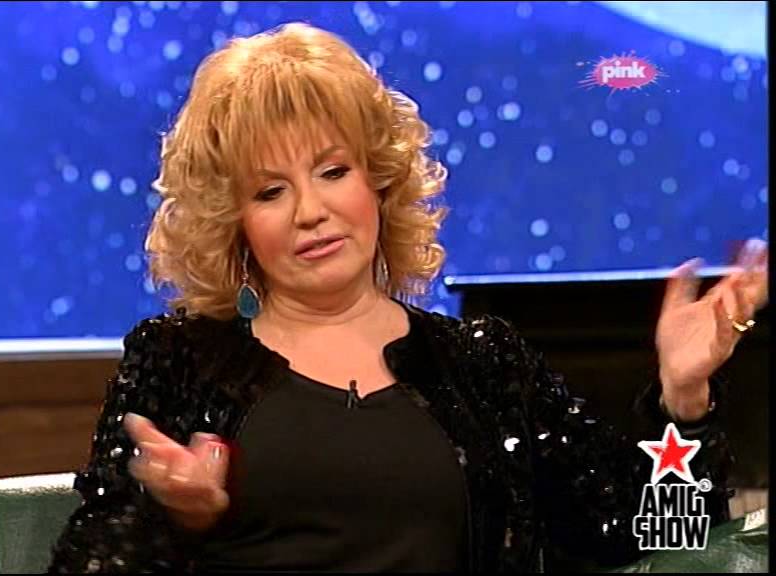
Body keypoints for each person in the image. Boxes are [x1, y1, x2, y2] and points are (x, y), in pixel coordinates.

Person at [47, 22, 768, 573]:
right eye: (270, 191)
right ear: (234, 221)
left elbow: (652, 532)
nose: (310, 211)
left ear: (379, 181)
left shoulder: (482, 365)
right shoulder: (178, 361)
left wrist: (684, 398)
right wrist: (174, 519)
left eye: (333, 172)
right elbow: (89, 563)